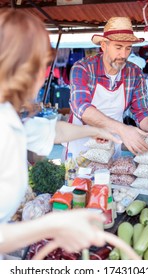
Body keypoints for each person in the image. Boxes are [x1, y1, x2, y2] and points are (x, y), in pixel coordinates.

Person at [0, 9, 122, 257]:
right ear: (24, 66)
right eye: (42, 65)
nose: (45, 75)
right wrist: (52, 225)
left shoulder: (9, 115)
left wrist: (96, 129)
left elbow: (51, 132)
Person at [68, 17, 148, 159]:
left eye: (128, 48)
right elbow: (82, 108)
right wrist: (122, 129)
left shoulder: (134, 73)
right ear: (103, 45)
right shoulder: (83, 68)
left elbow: (141, 112)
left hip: (114, 145)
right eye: (118, 47)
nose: (123, 55)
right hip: (80, 146)